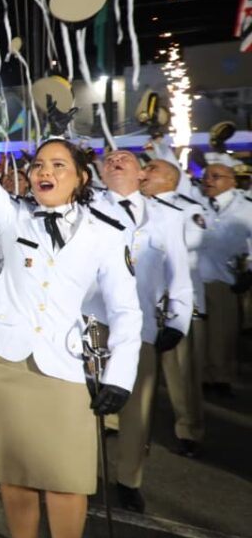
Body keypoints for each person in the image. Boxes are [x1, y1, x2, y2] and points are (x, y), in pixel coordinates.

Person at [0, 93, 141, 538]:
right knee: (15, 476)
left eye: (58, 165)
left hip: (66, 365)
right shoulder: (15, 217)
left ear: (82, 177)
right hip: (4, 365)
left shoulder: (108, 233)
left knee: (68, 479)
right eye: (38, 165)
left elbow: (127, 310)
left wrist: (121, 377)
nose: (45, 171)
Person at [85, 150, 192, 513]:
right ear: (101, 173)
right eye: (110, 160)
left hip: (140, 326)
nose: (115, 162)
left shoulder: (167, 217)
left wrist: (178, 320)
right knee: (86, 404)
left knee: (137, 411)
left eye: (125, 159)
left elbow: (179, 274)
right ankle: (83, 474)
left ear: (142, 175)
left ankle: (129, 480)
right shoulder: (86, 208)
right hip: (92, 321)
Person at [140, 157, 208, 457]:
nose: (144, 173)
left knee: (180, 373)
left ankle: (189, 428)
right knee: (134, 368)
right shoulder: (135, 207)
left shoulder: (186, 210)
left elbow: (192, 241)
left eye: (151, 168)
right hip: (141, 301)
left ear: (170, 178)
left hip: (171, 302)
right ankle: (122, 422)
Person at [195, 160, 252, 399]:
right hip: (196, 278)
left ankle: (222, 376)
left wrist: (249, 271)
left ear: (231, 181)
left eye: (215, 176)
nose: (208, 181)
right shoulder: (197, 204)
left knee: (222, 331)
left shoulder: (246, 208)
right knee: (200, 334)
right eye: (206, 176)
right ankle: (203, 375)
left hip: (224, 277)